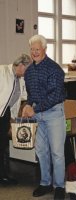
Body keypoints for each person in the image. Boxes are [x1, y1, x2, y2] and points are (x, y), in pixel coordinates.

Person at [22, 35, 66, 200]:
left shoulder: (54, 69)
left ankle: (59, 186)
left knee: (57, 152)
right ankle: (45, 183)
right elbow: (31, 94)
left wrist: (36, 108)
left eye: (37, 49)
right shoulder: (29, 71)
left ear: (45, 49)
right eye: (32, 49)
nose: (34, 52)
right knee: (41, 151)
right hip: (37, 114)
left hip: (54, 113)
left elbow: (56, 95)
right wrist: (28, 104)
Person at [0, 54, 32, 185]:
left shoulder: (19, 78)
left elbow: (18, 98)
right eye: (27, 69)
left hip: (5, 114)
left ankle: (3, 175)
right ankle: (2, 177)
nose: (27, 73)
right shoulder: (2, 71)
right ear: (20, 65)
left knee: (2, 146)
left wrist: (13, 117)